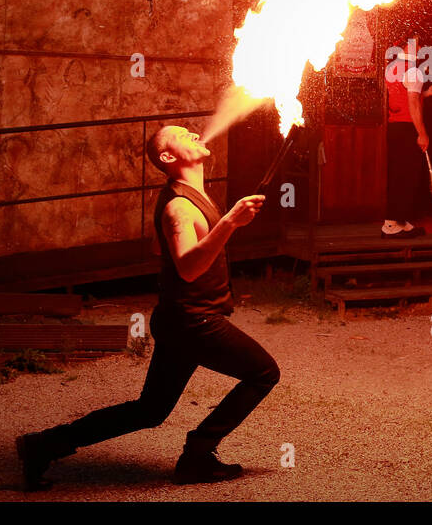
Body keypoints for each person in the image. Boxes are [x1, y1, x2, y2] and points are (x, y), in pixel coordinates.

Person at [15, 125, 276, 489]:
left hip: (177, 319)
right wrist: (230, 222)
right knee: (264, 373)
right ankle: (197, 454)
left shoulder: (183, 195)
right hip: (193, 321)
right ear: (168, 158)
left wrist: (215, 228)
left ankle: (42, 445)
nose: (195, 134)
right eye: (182, 135)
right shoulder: (179, 207)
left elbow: (161, 250)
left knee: (150, 410)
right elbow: (187, 267)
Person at [383, 34, 432, 238]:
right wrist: (422, 133)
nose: (420, 49)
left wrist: (426, 94)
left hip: (394, 128)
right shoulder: (413, 71)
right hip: (407, 127)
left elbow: (403, 96)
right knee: (406, 176)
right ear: (407, 46)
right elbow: (411, 105)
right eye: (417, 45)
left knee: (399, 174)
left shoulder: (391, 67)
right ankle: (391, 224)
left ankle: (400, 221)